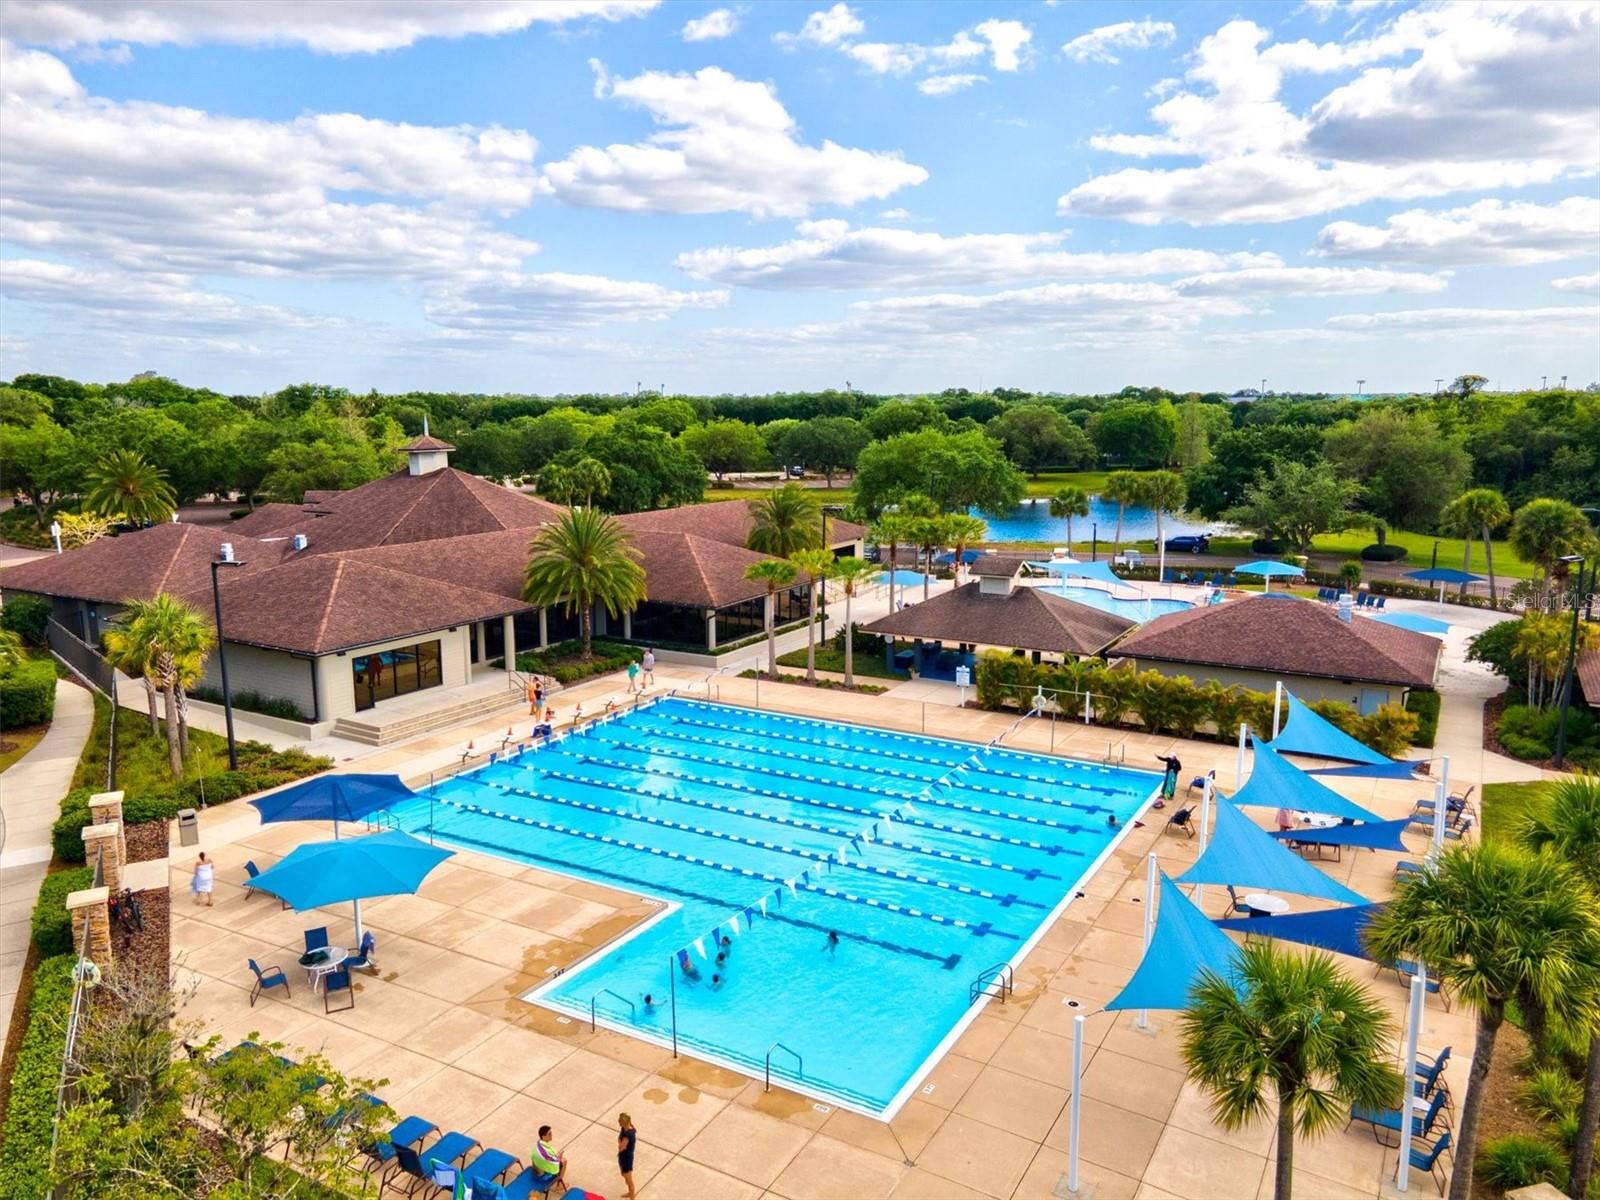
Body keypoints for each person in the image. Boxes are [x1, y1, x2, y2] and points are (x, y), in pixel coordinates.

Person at [617, 1113, 638, 1200]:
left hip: (626, 1158)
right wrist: (620, 1144)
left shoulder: (628, 1134)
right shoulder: (625, 1129)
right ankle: (630, 1193)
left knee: (629, 1180)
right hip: (623, 1156)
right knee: (624, 1175)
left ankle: (632, 1197)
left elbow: (621, 1146)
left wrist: (620, 1144)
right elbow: (620, 1141)